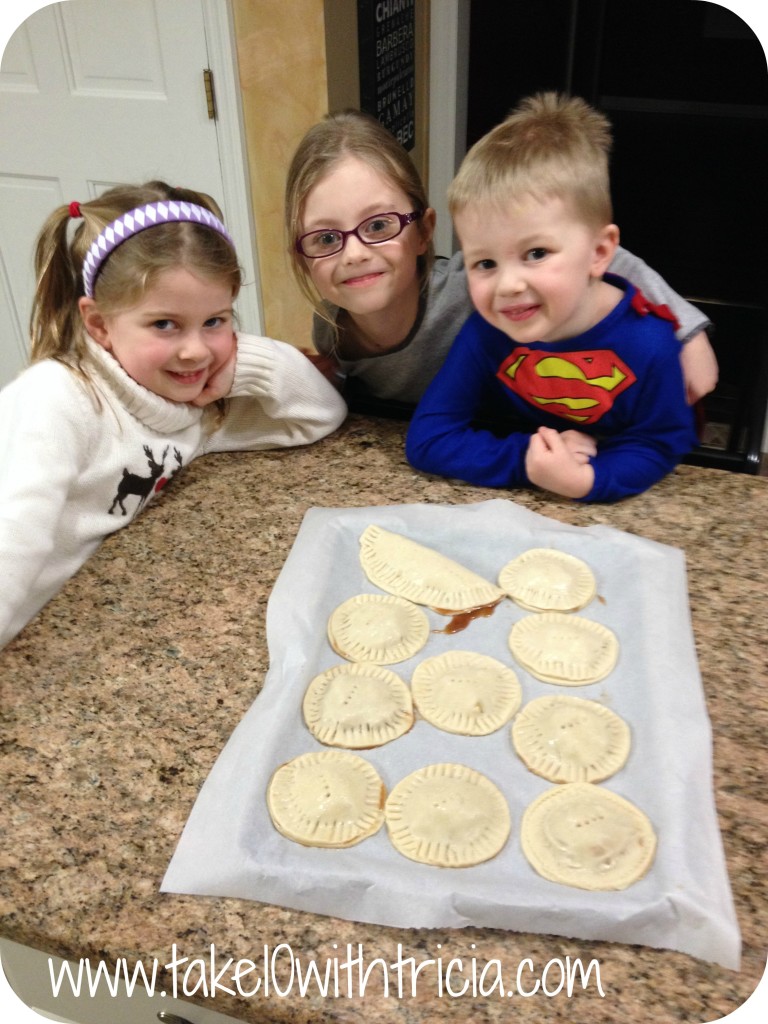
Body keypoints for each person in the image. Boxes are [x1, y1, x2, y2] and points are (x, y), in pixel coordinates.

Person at [0, 181, 347, 650]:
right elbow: (11, 544)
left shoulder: (190, 409)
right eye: (164, 324)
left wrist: (239, 365)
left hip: (56, 620)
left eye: (215, 321)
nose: (194, 350)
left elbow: (319, 414)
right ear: (99, 324)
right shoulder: (58, 397)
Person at [285, 108, 717, 412]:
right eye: (325, 237)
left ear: (424, 231)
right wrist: (331, 380)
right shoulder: (330, 328)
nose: (355, 253)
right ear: (302, 257)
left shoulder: (473, 290)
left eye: (379, 226)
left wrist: (686, 332)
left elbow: (593, 255)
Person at [405, 92, 699, 502]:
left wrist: (590, 479)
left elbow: (659, 444)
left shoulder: (651, 345)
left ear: (599, 252)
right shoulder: (486, 332)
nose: (507, 285)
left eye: (536, 253)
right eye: (485, 263)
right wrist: (527, 459)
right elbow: (429, 439)